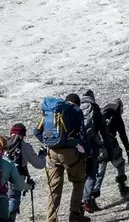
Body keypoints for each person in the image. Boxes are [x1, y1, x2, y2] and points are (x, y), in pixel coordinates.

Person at [33, 93, 89, 222]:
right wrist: (83, 149)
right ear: (77, 103)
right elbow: (82, 134)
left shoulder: (53, 112)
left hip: (52, 153)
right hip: (70, 154)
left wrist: (47, 143)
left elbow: (36, 131)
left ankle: (51, 219)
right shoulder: (76, 111)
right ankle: (74, 216)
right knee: (78, 182)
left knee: (54, 188)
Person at [80, 90, 114, 214]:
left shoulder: (75, 108)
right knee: (91, 174)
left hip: (76, 148)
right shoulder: (94, 109)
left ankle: (78, 209)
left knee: (80, 176)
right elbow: (104, 132)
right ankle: (87, 200)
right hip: (91, 148)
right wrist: (109, 151)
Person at [92, 99, 129, 200]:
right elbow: (123, 135)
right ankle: (122, 187)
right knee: (120, 163)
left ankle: (93, 196)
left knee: (100, 171)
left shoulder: (100, 112)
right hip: (111, 144)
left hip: (99, 145)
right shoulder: (116, 115)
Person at [5, 123, 46, 221]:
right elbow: (39, 165)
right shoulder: (24, 146)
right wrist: (42, 155)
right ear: (23, 135)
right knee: (13, 200)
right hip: (16, 182)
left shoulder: (3, 143)